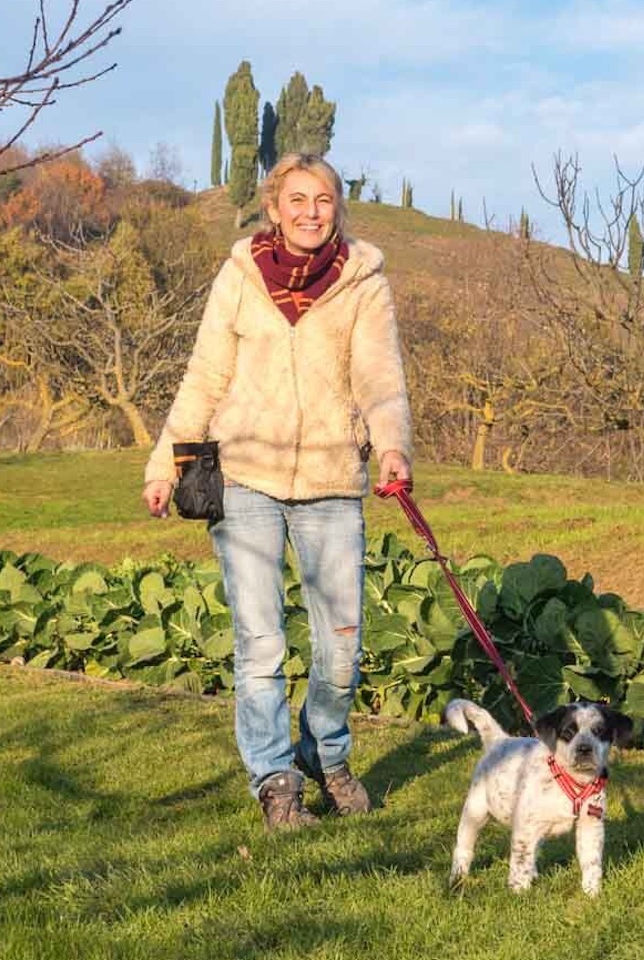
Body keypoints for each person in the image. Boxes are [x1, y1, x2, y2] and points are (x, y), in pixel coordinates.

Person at [142, 153, 413, 831]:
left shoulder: (362, 281)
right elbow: (204, 376)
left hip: (331, 480)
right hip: (246, 479)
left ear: (337, 207)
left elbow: (381, 377)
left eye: (322, 200)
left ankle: (325, 751)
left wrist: (392, 446)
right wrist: (163, 463)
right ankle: (274, 778)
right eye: (297, 200)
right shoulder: (239, 276)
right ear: (273, 207)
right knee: (260, 644)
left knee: (341, 645)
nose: (310, 212)